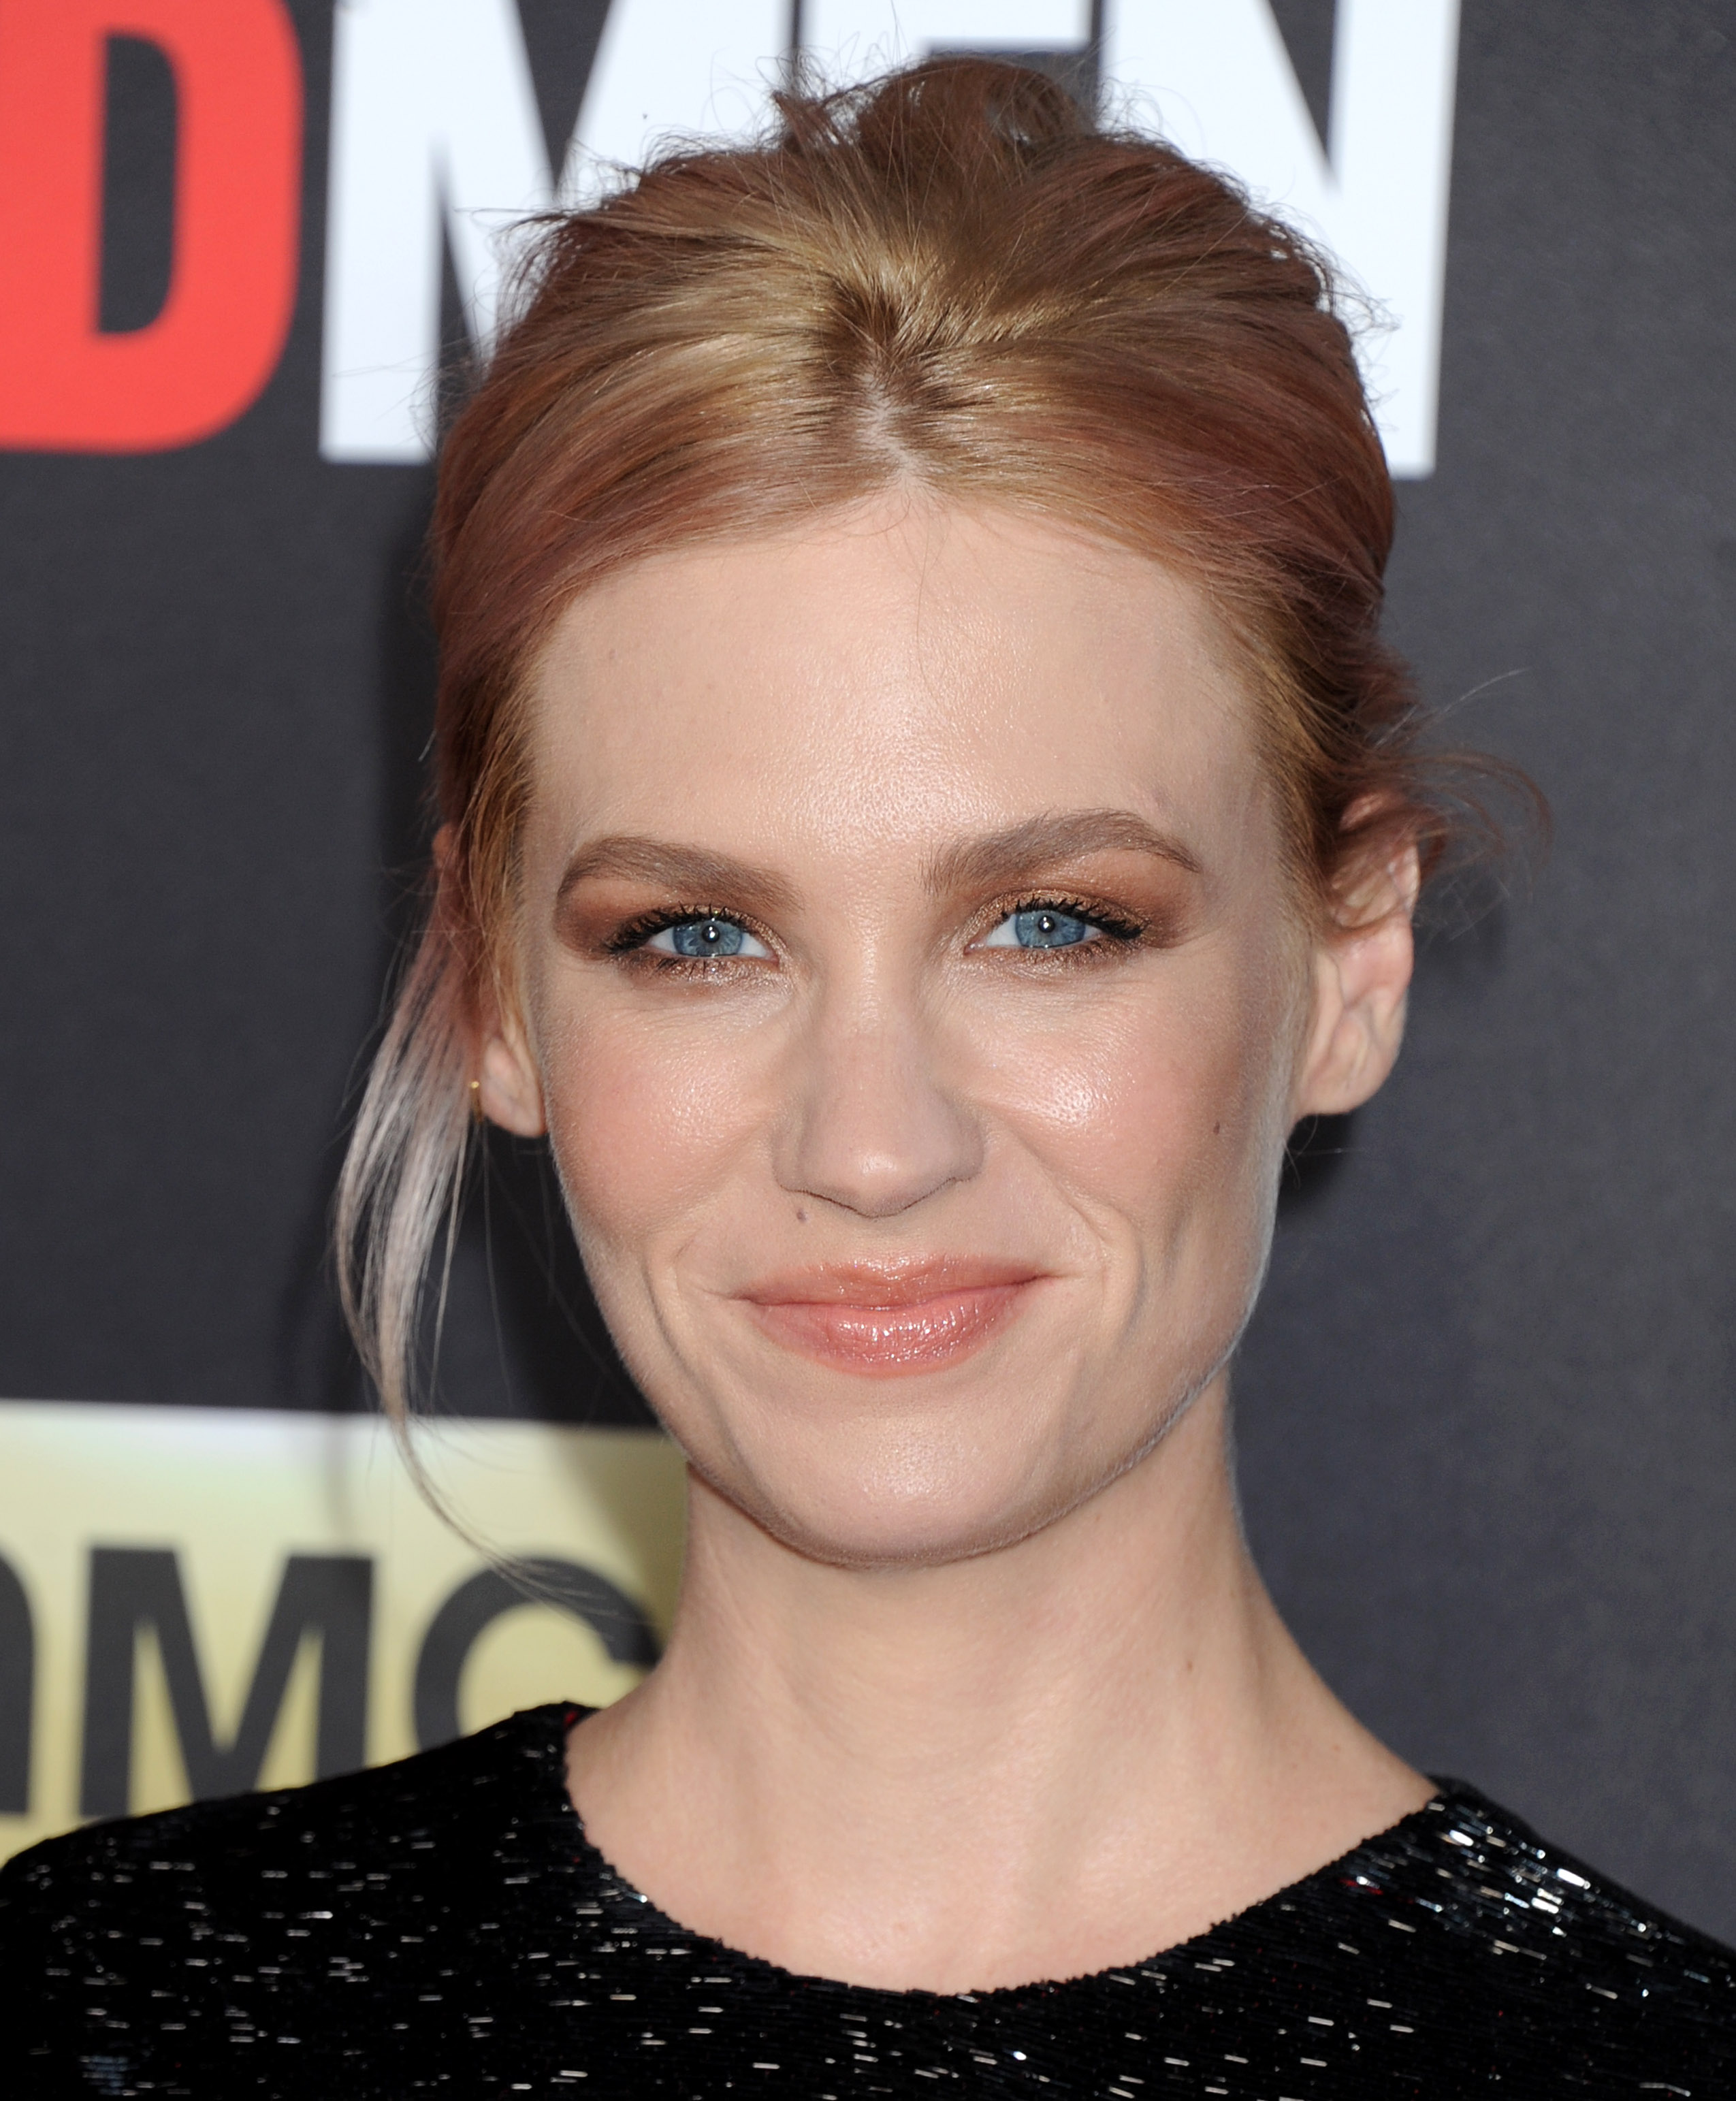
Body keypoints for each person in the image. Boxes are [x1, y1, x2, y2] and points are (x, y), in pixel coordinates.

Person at [3, 56, 1730, 2098]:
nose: (874, 1145)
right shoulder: (103, 2009)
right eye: (696, 938)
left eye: (1052, 924)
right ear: (491, 993)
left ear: (1353, 954)